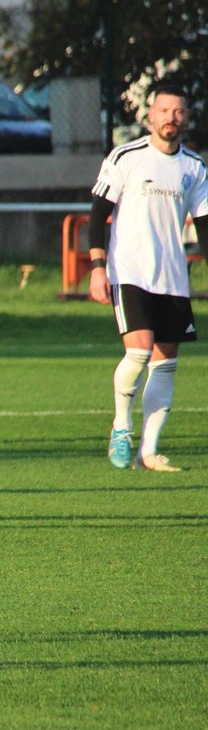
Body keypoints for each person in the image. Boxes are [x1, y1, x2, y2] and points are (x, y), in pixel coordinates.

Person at [89, 84, 208, 472]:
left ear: (185, 118)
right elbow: (97, 214)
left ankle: (149, 451)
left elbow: (204, 226)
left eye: (178, 112)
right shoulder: (127, 156)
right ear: (150, 116)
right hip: (130, 271)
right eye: (164, 111)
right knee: (138, 351)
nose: (170, 118)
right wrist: (96, 267)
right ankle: (121, 427)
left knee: (166, 361)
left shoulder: (195, 167)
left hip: (172, 278)